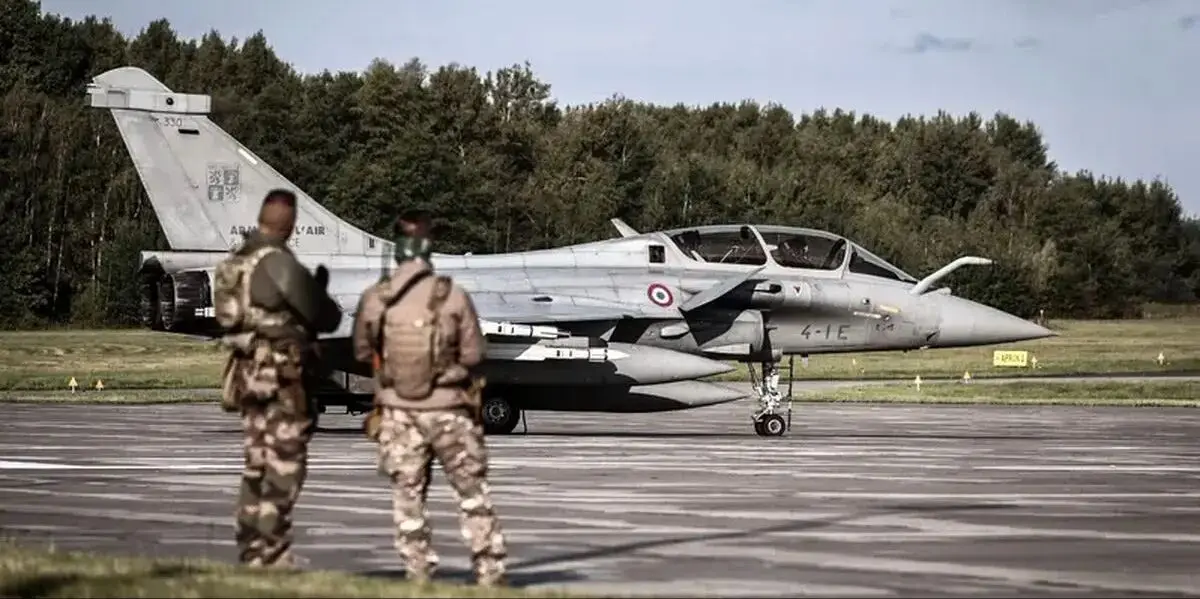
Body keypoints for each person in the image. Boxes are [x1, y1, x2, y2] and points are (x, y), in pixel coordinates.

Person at [351, 209, 508, 587]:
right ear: (428, 246)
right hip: (449, 410)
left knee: (407, 496)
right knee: (472, 493)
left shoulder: (377, 297)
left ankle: (417, 573)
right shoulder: (451, 296)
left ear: (399, 247)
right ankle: (490, 573)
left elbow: (359, 351)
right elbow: (474, 355)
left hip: (399, 413)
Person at [211, 188, 342, 569]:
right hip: (280, 374)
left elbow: (231, 319)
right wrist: (317, 295)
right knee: (285, 463)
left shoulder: (235, 263)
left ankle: (251, 548)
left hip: (246, 372)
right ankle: (271, 551)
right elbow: (324, 315)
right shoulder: (278, 262)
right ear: (290, 224)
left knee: (256, 462)